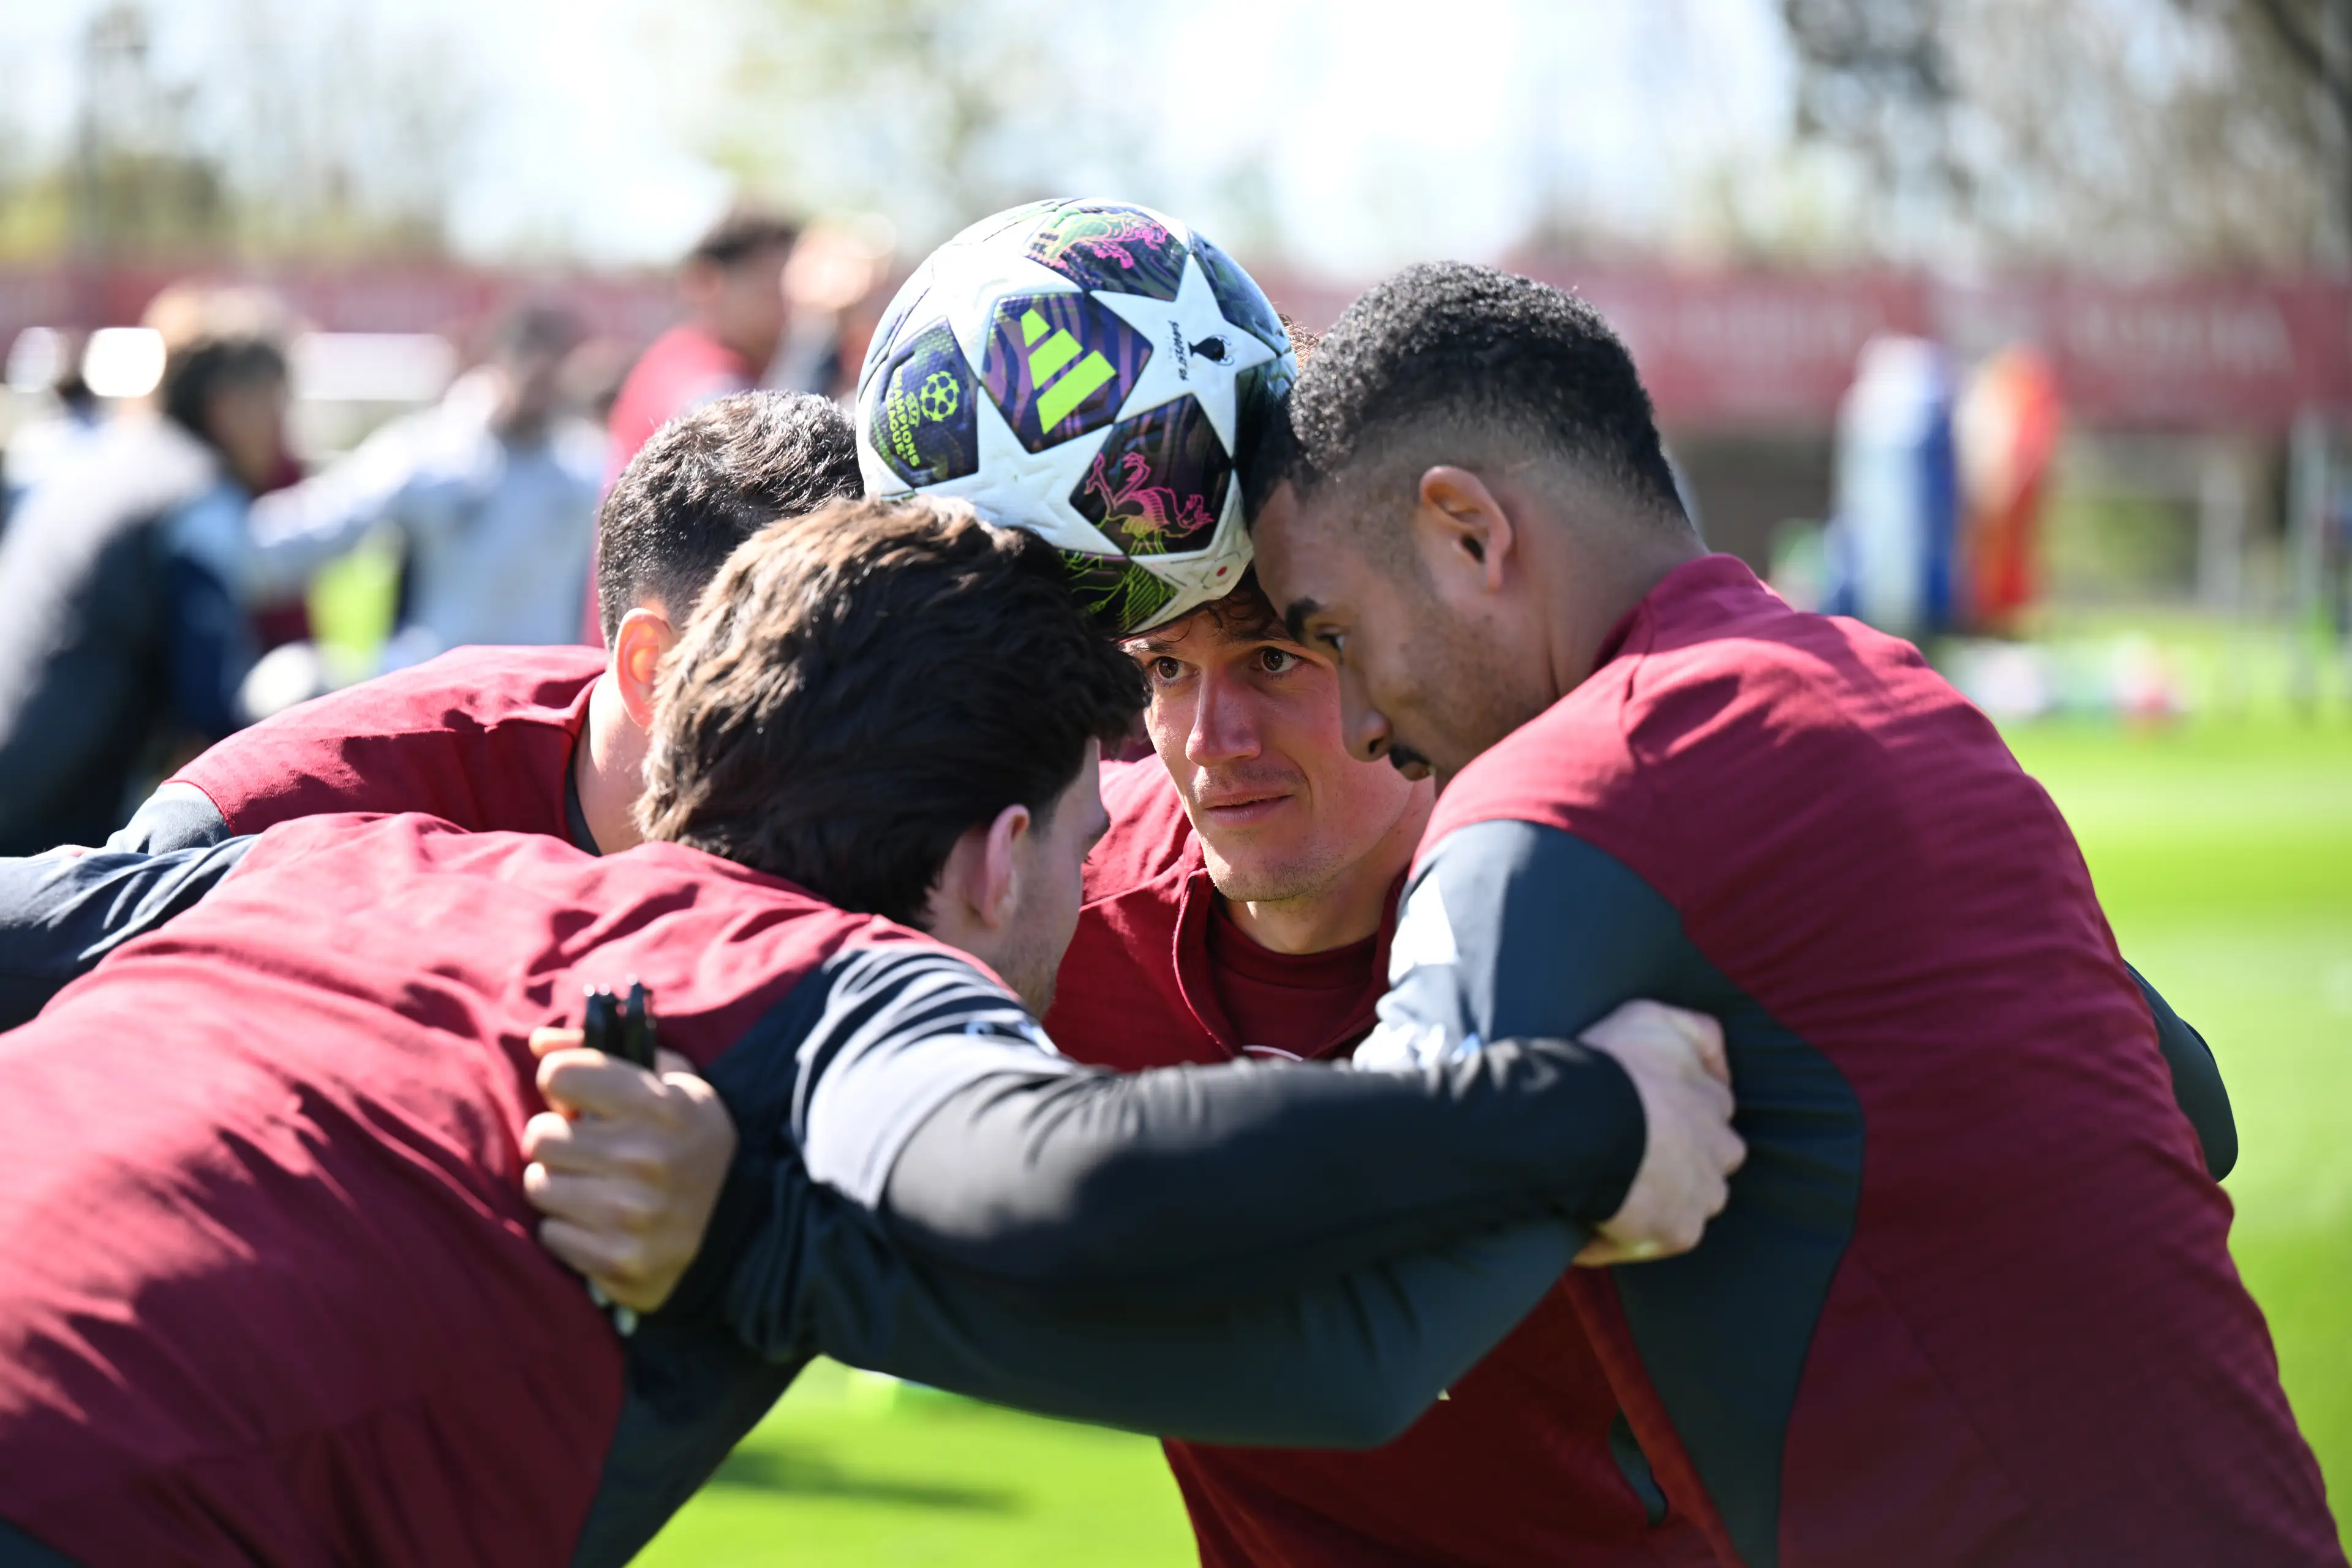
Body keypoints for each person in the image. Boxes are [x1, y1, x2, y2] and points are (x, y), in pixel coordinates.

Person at [0, 499, 1742, 1568]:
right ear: (998, 860)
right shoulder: (831, 983)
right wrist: (1579, 1116)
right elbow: (1073, 1191)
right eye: (1079, 837)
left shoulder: (336, 862)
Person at [1241, 261, 2337, 1567]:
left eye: (1338, 634)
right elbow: (2191, 1103)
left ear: (1469, 534)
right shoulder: (1896, 695)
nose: (1361, 719)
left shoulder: (1563, 792)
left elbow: (1365, 1284)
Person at [97, 388, 858, 864]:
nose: (866, 721)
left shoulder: (879, 822)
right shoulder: (282, 821)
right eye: (815, 678)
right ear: (651, 667)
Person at [0, 287, 292, 854]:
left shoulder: (106, 456)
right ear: (229, 404)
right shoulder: (197, 498)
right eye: (275, 407)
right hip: (41, 821)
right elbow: (212, 713)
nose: (281, 435)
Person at [233, 303, 606, 657]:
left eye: (554, 360)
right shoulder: (433, 454)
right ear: (498, 360)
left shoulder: (590, 469)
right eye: (529, 355)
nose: (539, 375)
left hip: (546, 701)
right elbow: (325, 522)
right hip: (438, 693)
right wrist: (222, 548)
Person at [584, 206, 800, 641]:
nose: (788, 301)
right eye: (769, 283)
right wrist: (822, 340)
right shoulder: (698, 371)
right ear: (708, 284)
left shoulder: (731, 363)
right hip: (662, 655)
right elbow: (765, 470)